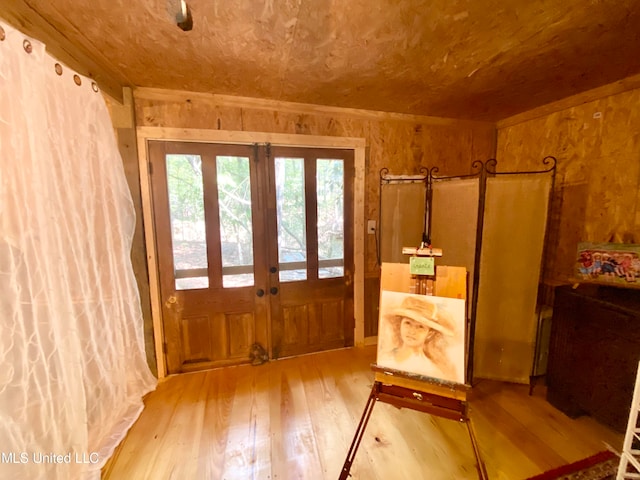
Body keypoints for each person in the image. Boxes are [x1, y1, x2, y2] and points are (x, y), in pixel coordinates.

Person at [378, 294, 459, 382]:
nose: (412, 331)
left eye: (420, 327)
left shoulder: (429, 370)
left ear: (429, 333)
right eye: (408, 323)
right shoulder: (385, 357)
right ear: (400, 324)